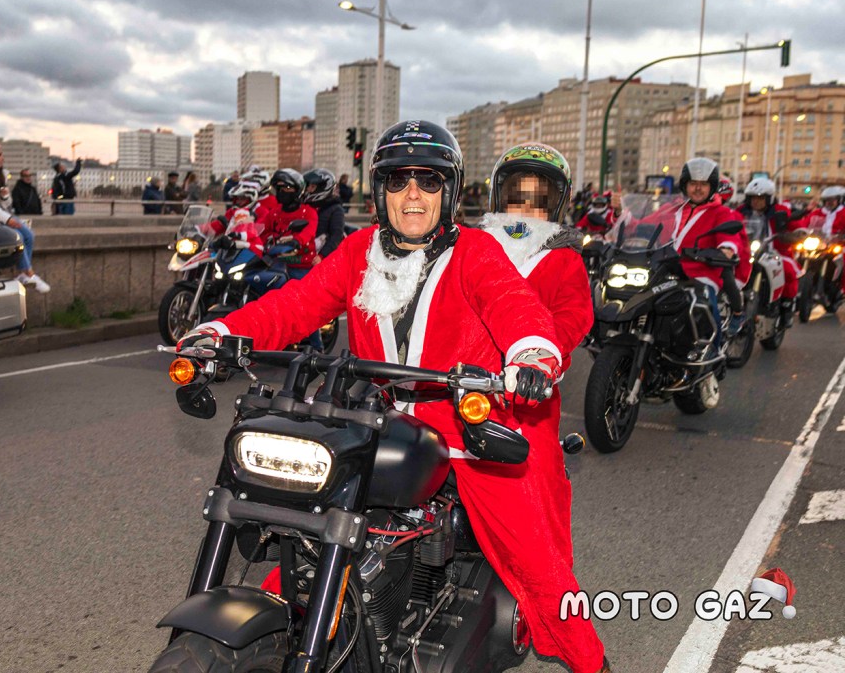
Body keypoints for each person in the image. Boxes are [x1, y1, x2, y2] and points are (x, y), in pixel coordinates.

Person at [177, 121, 610, 673]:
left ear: (449, 192)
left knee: (537, 563)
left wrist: (532, 355)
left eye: (429, 181)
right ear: (379, 190)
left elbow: (516, 308)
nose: (413, 195)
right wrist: (219, 333)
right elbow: (295, 305)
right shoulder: (358, 251)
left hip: (465, 426)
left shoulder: (475, 251)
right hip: (373, 419)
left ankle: (591, 662)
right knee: (301, 529)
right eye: (398, 180)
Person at [479, 142, 605, 671]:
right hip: (456, 395)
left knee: (539, 540)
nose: (525, 209)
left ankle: (584, 654)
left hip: (525, 403)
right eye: (516, 196)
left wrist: (539, 359)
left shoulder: (563, 258)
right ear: (498, 197)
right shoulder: (469, 246)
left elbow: (575, 317)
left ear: (556, 204)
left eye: (537, 199)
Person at [673, 158, 745, 338]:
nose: (698, 188)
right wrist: (620, 214)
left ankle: (713, 345)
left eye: (704, 184)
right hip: (668, 269)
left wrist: (726, 249)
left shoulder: (721, 212)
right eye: (693, 183)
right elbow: (643, 225)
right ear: (685, 185)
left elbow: (729, 236)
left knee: (703, 304)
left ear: (711, 187)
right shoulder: (673, 209)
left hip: (702, 271)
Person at [0, 139, 50, 293]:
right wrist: (7, 219)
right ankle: (29, 273)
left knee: (29, 235)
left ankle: (23, 273)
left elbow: (7, 204)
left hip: (1, 214)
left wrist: (5, 196)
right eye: (0, 155)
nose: (3, 158)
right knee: (18, 236)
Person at [734, 178, 803, 307]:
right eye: (753, 197)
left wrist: (797, 233)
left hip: (773, 251)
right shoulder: (741, 211)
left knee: (788, 270)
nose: (756, 201)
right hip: (746, 251)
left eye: (760, 198)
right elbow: (730, 224)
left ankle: (788, 301)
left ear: (769, 198)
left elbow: (795, 225)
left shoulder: (780, 210)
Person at [302, 167, 345, 261]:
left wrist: (322, 256)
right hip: (304, 255)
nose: (308, 190)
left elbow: (336, 236)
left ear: (323, 188)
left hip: (322, 258)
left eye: (312, 187)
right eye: (308, 186)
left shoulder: (335, 209)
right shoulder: (306, 206)